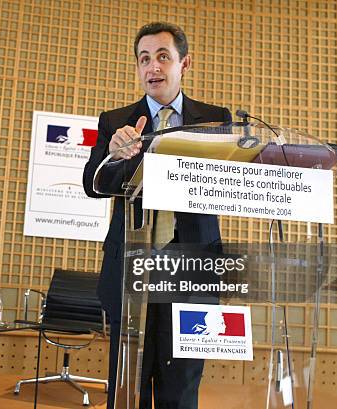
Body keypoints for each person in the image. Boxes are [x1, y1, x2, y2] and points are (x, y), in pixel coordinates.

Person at [82, 22, 231, 409]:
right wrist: (115, 155)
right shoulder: (115, 121)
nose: (153, 67)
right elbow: (92, 184)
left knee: (181, 388)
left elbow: (226, 185)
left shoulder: (215, 118)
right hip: (131, 268)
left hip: (192, 271)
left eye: (163, 56)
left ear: (185, 63)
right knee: (128, 385)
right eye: (144, 59)